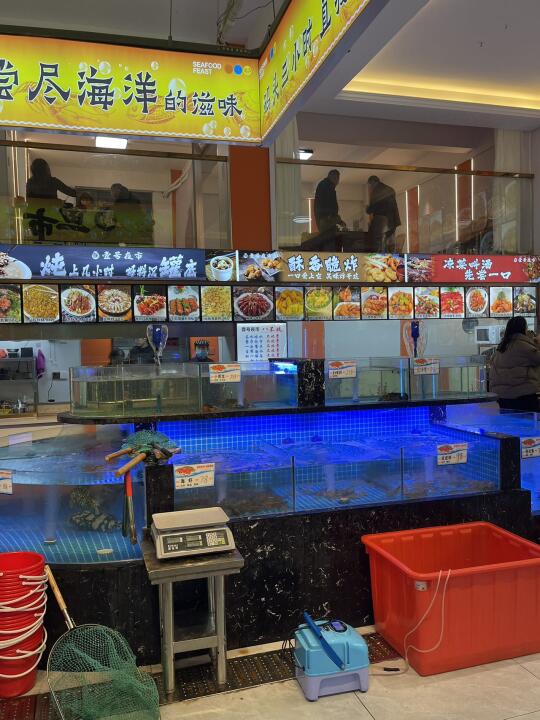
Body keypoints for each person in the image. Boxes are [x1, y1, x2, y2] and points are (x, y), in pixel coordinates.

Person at [489, 316, 540, 411]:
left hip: (502, 397)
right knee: (531, 419)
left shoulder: (502, 346)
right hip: (521, 395)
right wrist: (536, 343)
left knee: (509, 419)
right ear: (523, 329)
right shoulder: (524, 346)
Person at [366, 175, 401, 251]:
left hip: (381, 221)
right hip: (392, 221)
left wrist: (367, 209)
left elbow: (371, 208)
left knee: (378, 244)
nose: (370, 187)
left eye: (370, 185)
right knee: (389, 244)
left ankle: (379, 256)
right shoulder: (390, 189)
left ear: (372, 183)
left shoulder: (376, 191)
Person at [314, 170, 344, 234]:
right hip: (327, 219)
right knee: (330, 237)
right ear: (332, 177)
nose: (337, 181)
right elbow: (329, 205)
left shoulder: (324, 185)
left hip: (325, 219)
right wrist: (335, 218)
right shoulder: (327, 186)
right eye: (336, 178)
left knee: (329, 236)